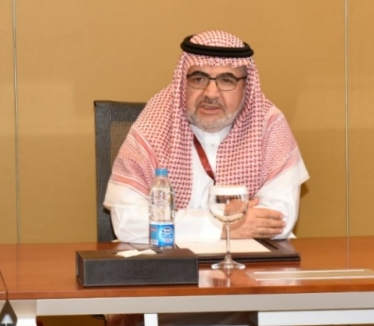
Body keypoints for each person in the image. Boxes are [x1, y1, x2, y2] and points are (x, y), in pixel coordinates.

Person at [105, 30, 308, 243]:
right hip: (168, 269)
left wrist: (182, 224)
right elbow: (127, 221)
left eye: (227, 80)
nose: (210, 93)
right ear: (184, 82)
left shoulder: (269, 125)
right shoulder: (154, 124)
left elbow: (278, 221)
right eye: (199, 78)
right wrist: (221, 225)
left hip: (247, 267)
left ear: (246, 86)